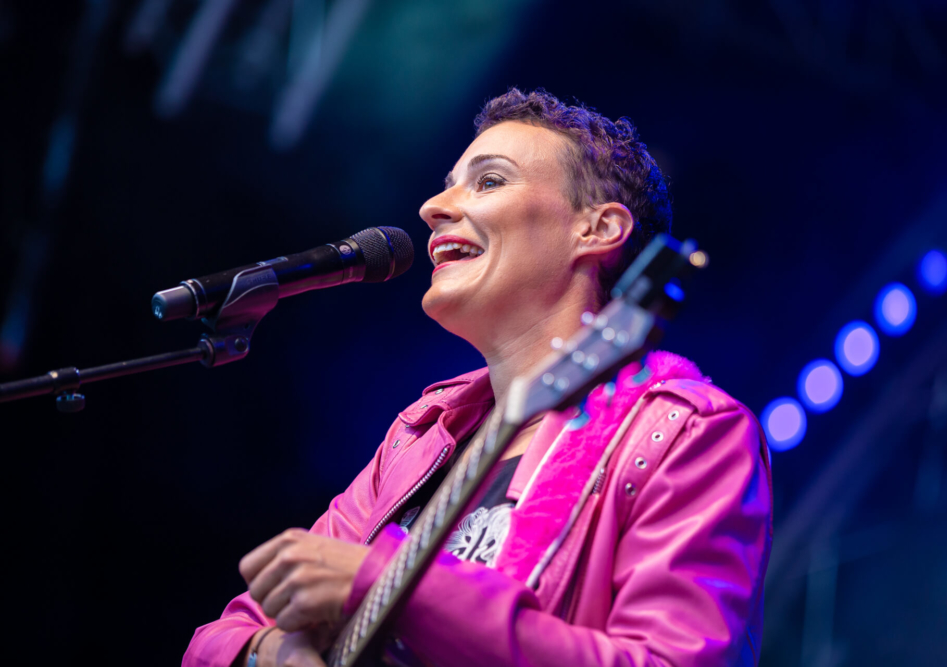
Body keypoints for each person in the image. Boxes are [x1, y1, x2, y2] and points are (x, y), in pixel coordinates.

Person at [183, 88, 772, 667]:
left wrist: (398, 588)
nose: (432, 208)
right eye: (447, 184)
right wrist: (273, 653)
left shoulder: (684, 433)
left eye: (488, 181)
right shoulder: (422, 435)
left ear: (597, 230)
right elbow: (229, 631)